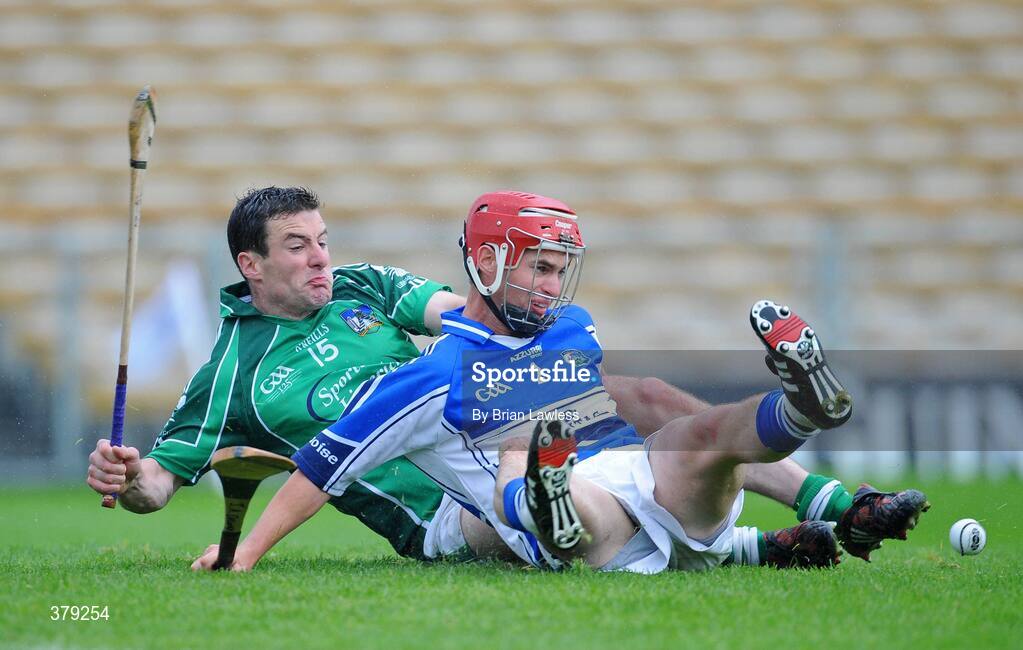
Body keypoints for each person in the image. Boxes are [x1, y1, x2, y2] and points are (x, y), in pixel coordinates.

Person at [191, 190, 927, 574]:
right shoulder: (429, 374)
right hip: (558, 518)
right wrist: (244, 555)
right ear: (485, 265)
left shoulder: (568, 329)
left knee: (693, 431)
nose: (551, 285)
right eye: (535, 267)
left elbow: (620, 409)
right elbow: (321, 466)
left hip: (621, 481)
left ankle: (801, 411)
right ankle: (552, 506)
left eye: (556, 269)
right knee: (542, 468)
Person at [86, 186, 470, 560]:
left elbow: (467, 320)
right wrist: (130, 478)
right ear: (251, 264)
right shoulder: (232, 374)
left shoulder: (364, 284)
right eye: (298, 246)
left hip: (484, 447)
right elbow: (157, 482)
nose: (320, 258)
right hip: (445, 518)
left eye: (322, 241)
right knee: (516, 512)